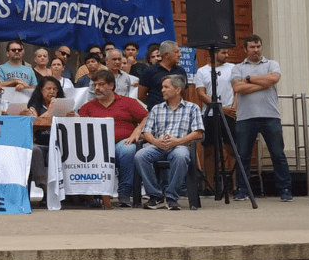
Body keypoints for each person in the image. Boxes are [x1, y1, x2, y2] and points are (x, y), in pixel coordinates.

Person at [230, 35, 293, 202]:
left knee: (277, 154)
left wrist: (249, 79)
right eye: (252, 47)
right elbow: (238, 87)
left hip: (270, 116)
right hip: (245, 117)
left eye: (258, 46)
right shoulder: (238, 68)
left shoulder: (271, 64)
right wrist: (263, 83)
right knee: (243, 155)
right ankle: (242, 189)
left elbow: (274, 79)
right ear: (245, 49)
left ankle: (285, 189)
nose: (256, 50)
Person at [79, 70, 148, 208]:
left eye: (101, 84)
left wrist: (137, 130)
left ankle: (124, 193)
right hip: (96, 146)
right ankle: (90, 194)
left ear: (111, 86)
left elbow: (147, 117)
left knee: (128, 150)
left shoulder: (128, 102)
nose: (97, 88)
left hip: (122, 142)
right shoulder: (88, 107)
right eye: (95, 84)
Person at [135, 75, 204, 210]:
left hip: (180, 145)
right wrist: (156, 141)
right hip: (158, 146)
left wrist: (178, 141)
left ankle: (172, 196)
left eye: (166, 87)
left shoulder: (192, 108)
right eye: (162, 87)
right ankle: (156, 196)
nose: (162, 90)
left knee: (181, 156)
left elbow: (198, 133)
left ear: (178, 90)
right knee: (140, 155)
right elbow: (146, 132)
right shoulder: (156, 108)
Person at [194, 48, 237, 197]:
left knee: (231, 149)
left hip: (230, 114)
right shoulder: (202, 71)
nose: (227, 55)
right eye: (223, 52)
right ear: (213, 54)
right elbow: (201, 93)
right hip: (210, 114)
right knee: (209, 151)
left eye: (227, 52)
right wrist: (220, 107)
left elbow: (237, 89)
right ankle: (209, 186)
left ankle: (236, 186)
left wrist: (233, 107)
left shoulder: (233, 68)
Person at [27, 76, 70, 204]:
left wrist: (72, 115)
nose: (51, 92)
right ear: (41, 90)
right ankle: (45, 189)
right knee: (34, 150)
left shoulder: (64, 105)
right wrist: (51, 110)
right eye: (48, 89)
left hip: (60, 145)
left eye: (54, 89)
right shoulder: (34, 106)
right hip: (41, 144)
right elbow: (35, 122)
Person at [138, 41, 187, 110]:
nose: (180, 55)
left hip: (178, 113)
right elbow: (141, 95)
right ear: (166, 54)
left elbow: (185, 94)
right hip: (157, 114)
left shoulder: (181, 71)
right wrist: (154, 105)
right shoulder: (149, 71)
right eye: (176, 52)